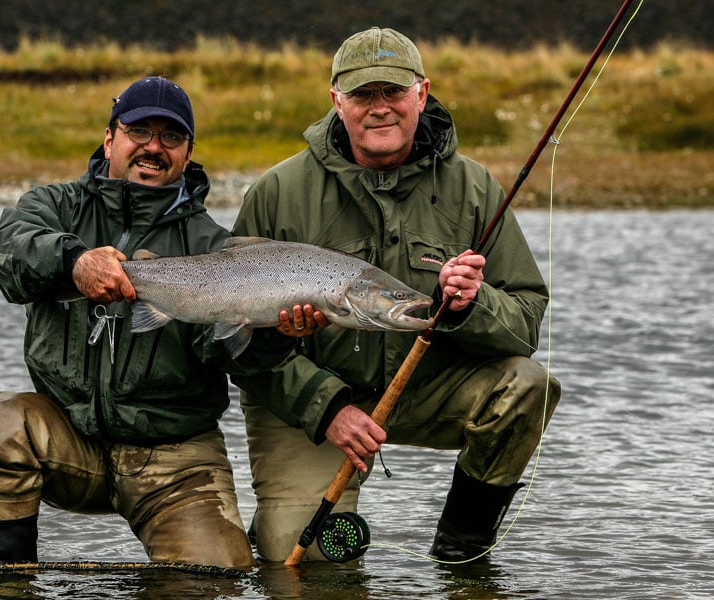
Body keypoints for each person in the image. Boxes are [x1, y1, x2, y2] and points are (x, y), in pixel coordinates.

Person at [231, 27, 562, 562]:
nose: (379, 108)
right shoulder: (277, 193)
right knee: (308, 563)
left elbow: (524, 325)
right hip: (309, 401)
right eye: (362, 94)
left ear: (422, 93)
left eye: (393, 92)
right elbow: (236, 347)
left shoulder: (475, 190)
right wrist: (327, 406)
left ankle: (463, 549)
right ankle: (277, 519)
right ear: (336, 101)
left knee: (528, 386)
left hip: (424, 388)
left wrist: (472, 304)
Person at [0, 76, 292, 569]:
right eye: (139, 131)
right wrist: (76, 262)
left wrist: (278, 333)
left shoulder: (212, 244)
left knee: (215, 581)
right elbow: (9, 249)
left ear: (188, 152)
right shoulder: (56, 207)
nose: (153, 147)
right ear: (111, 138)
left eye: (170, 137)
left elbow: (225, 355)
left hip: (177, 462)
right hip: (71, 439)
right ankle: (6, 582)